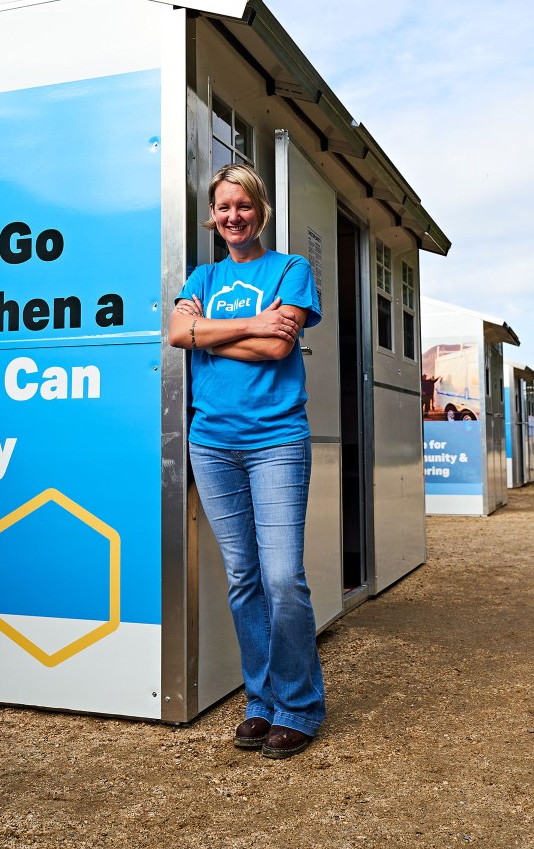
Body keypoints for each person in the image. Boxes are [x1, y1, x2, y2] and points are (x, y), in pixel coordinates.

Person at [168, 164, 325, 760]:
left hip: (277, 439)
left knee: (284, 578)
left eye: (244, 205)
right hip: (212, 444)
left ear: (260, 208)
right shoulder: (203, 274)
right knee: (244, 578)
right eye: (223, 208)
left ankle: (299, 706)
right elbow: (177, 335)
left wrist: (213, 329)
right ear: (213, 216)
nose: (234, 216)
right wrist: (252, 323)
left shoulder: (290, 269)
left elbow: (278, 345)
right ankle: (260, 700)